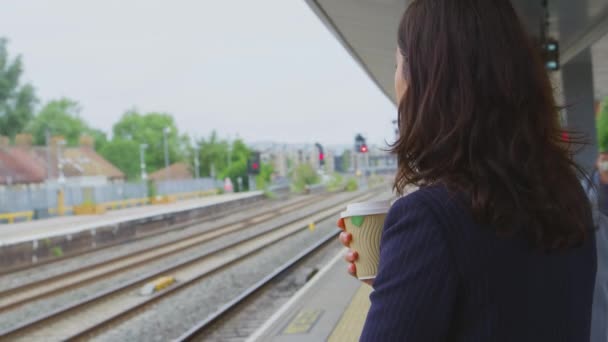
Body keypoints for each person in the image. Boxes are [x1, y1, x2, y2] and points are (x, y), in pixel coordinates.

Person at [338, 0, 597, 340]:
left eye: (398, 65)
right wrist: (399, 281)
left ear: (426, 83)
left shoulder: (428, 220)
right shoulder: (568, 198)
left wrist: (408, 261)